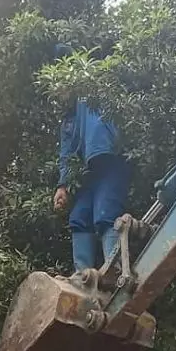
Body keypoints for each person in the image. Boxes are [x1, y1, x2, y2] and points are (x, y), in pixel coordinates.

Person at [51, 48, 131, 274]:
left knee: (105, 212)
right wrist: (63, 186)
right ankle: (83, 275)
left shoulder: (91, 90)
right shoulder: (68, 122)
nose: (60, 92)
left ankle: (113, 269)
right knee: (79, 217)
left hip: (111, 161)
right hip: (86, 173)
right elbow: (66, 154)